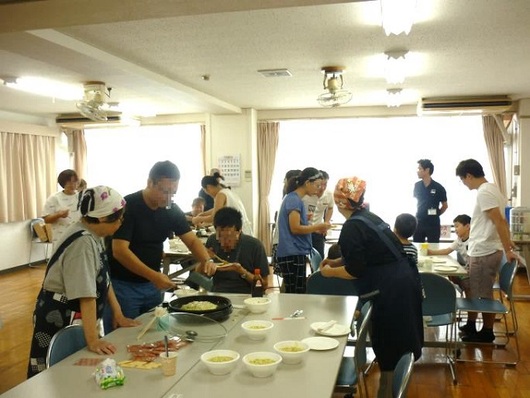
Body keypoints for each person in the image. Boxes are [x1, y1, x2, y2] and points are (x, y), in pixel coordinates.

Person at [320, 177, 423, 398]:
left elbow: (354, 271)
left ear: (339, 203)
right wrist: (336, 262)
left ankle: (388, 390)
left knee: (390, 342)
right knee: (399, 339)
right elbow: (367, 257)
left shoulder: (351, 227)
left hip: (392, 289)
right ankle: (390, 385)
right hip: (404, 280)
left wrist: (329, 272)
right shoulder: (368, 217)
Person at [27, 186, 139, 378]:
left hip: (76, 315)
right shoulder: (83, 243)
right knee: (52, 373)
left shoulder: (93, 233)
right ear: (103, 217)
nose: (120, 224)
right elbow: (85, 294)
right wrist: (93, 340)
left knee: (76, 368)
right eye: (119, 219)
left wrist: (118, 313)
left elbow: (103, 278)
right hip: (60, 314)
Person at [104, 161, 211, 333]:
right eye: (165, 191)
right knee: (123, 337)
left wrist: (206, 260)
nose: (168, 197)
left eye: (173, 193)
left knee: (154, 336)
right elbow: (120, 251)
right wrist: (154, 276)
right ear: (149, 183)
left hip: (152, 287)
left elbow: (191, 240)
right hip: (123, 286)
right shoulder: (128, 206)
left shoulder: (170, 208)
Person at [455, 159, 517, 342]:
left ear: (469, 175)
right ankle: (473, 325)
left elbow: (500, 221)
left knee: (483, 293)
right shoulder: (493, 189)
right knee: (475, 289)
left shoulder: (485, 192)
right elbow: (499, 222)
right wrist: (507, 244)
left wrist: (508, 249)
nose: (464, 183)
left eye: (462, 179)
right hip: (484, 249)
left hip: (485, 251)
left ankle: (487, 332)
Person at [276, 167, 332, 293]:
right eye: (317, 185)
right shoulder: (294, 199)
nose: (319, 189)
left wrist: (305, 220)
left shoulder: (293, 198)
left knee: (296, 290)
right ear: (307, 183)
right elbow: (295, 229)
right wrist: (319, 226)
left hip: (294, 251)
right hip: (293, 252)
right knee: (296, 292)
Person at [198, 207, 269, 293]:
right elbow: (199, 275)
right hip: (218, 294)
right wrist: (205, 262)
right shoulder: (212, 241)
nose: (223, 242)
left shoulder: (255, 246)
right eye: (220, 236)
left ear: (239, 231)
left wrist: (241, 271)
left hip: (247, 296)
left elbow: (264, 285)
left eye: (229, 236)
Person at [428, 214, 472, 296]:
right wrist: (430, 252)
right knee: (449, 274)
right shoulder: (459, 240)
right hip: (466, 269)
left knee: (464, 281)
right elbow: (446, 251)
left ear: (467, 226)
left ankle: (470, 302)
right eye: (454, 227)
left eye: (457, 226)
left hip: (473, 272)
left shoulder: (473, 240)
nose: (455, 229)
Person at [41, 169, 82, 245]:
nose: (73, 184)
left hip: (78, 237)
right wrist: (58, 215)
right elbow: (46, 220)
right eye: (70, 182)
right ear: (63, 183)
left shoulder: (82, 197)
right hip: (60, 238)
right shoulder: (54, 198)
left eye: (75, 181)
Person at [413, 159, 448, 243]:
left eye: (420, 169)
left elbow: (445, 205)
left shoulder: (439, 187)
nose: (418, 171)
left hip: (433, 223)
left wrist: (436, 214)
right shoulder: (417, 185)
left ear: (427, 170)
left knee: (434, 247)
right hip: (419, 221)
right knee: (418, 246)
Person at [302, 170, 334, 259]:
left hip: (319, 230)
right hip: (304, 230)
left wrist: (327, 222)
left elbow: (330, 208)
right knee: (303, 258)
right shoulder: (307, 194)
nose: (322, 187)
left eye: (325, 184)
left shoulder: (329, 194)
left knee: (319, 257)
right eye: (320, 185)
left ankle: (317, 273)